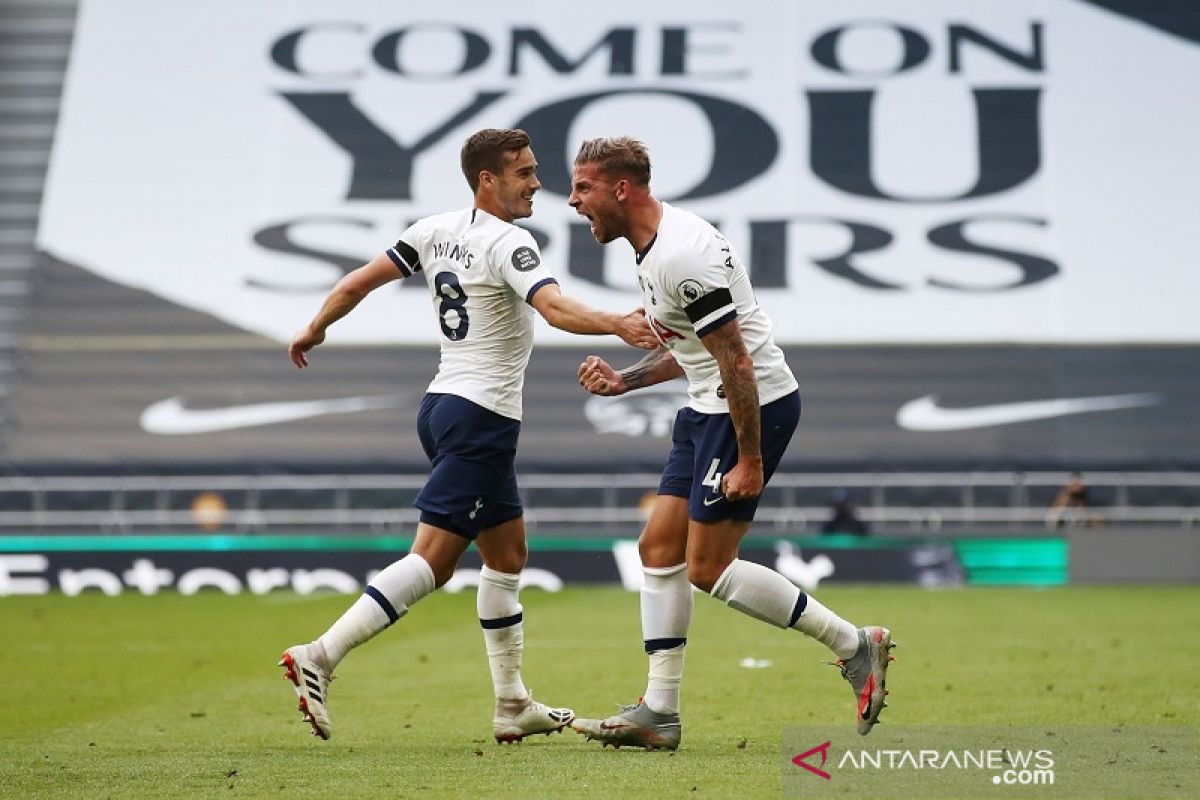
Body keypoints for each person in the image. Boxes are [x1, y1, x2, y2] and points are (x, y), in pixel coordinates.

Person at [278, 128, 657, 744]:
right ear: (488, 179)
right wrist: (619, 322)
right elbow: (554, 309)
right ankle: (320, 654)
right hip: (481, 416)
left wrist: (314, 327)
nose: (538, 182)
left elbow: (355, 282)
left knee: (507, 558)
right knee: (433, 559)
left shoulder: (431, 230)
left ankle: (512, 704)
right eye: (525, 172)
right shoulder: (511, 243)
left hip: (444, 406)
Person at [568, 137, 894, 750]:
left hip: (751, 406)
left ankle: (855, 646)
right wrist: (624, 381)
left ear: (620, 189)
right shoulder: (652, 247)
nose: (572, 199)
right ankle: (659, 712)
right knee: (658, 546)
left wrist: (750, 460)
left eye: (582, 187)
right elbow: (695, 350)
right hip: (706, 405)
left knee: (708, 568)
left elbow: (738, 363)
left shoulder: (680, 256)